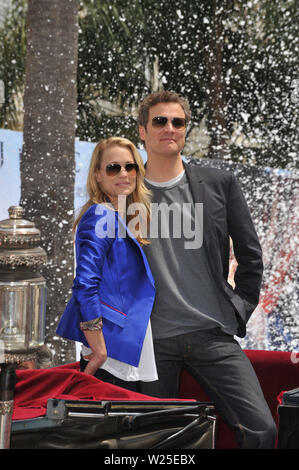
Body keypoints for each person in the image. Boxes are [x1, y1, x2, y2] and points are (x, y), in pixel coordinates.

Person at [137, 90, 277, 448]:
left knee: (262, 429)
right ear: (142, 131)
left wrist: (239, 307)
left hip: (212, 333)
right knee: (153, 440)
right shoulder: (124, 187)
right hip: (150, 341)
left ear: (185, 130)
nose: (170, 128)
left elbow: (250, 254)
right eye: (160, 121)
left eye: (178, 122)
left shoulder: (219, 183)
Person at [56, 137, 157, 392]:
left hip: (123, 350)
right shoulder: (101, 214)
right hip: (110, 356)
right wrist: (98, 347)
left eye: (130, 167)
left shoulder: (122, 217)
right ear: (98, 175)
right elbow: (85, 285)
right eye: (113, 168)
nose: (123, 173)